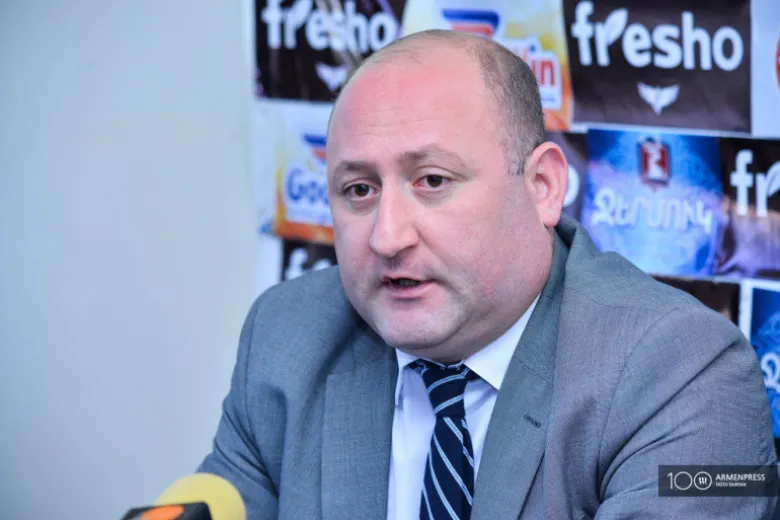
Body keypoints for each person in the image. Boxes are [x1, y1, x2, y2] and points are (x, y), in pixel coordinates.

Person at [198, 29, 778, 519]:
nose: (386, 236)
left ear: (542, 187)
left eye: (433, 181)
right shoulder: (287, 337)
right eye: (359, 190)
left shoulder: (686, 372)